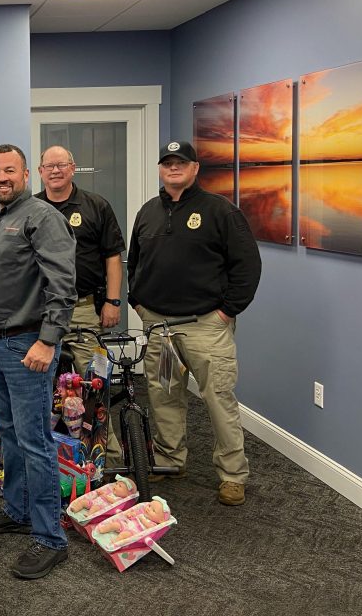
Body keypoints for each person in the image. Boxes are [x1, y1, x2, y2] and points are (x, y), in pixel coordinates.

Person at [128, 141, 262, 507]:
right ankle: (171, 460)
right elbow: (134, 261)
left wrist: (227, 311)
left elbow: (247, 266)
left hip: (205, 326)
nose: (173, 168)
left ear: (195, 168)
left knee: (218, 398)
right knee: (165, 395)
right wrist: (137, 302)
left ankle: (233, 475)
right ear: (160, 168)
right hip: (159, 327)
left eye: (181, 162)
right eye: (167, 163)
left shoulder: (220, 211)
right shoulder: (148, 211)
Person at [0, 144, 77, 580]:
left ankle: (51, 538)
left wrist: (49, 341)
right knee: (9, 433)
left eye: (10, 170)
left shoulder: (42, 218)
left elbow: (62, 284)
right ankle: (18, 510)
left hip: (28, 346)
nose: (2, 177)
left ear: (26, 174)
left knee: (35, 440)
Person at [35, 145, 126, 460]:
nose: (55, 171)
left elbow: (113, 257)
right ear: (40, 172)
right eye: (49, 166)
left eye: (61, 165)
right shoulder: (31, 208)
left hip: (84, 309)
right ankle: (49, 455)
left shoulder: (96, 206)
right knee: (42, 386)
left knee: (93, 384)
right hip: (41, 312)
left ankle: (107, 455)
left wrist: (113, 301)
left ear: (73, 168)